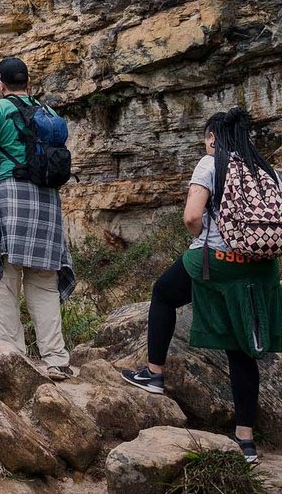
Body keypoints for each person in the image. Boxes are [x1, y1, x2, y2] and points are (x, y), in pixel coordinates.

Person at [121, 108, 282, 464]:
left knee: (163, 292)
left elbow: (192, 216)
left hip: (217, 262)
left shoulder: (211, 164)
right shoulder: (269, 171)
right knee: (241, 349)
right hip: (260, 271)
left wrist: (204, 240)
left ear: (213, 138)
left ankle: (154, 373)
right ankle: (246, 442)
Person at [0, 57, 75, 381]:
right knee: (43, 283)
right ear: (28, 82)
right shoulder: (49, 113)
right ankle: (56, 358)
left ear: (1, 84)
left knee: (5, 279)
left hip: (13, 195)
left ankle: (13, 356)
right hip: (47, 200)